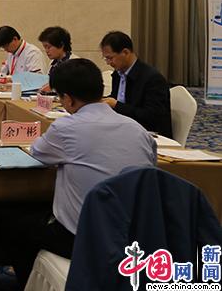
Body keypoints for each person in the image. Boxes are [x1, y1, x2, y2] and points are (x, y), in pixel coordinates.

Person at [11, 58, 156, 288]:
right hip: (138, 238)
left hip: (85, 239)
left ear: (68, 99)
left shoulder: (66, 128)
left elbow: (38, 152)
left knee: (14, 228)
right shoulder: (138, 130)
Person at [100, 31, 173, 138]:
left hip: (148, 134)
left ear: (125, 52)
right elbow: (116, 99)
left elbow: (152, 117)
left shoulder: (152, 78)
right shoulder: (118, 74)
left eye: (110, 58)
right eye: (105, 59)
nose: (108, 63)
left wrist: (116, 105)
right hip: (125, 128)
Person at [37, 26, 78, 91]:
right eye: (45, 47)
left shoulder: (75, 63)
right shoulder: (53, 63)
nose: (46, 51)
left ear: (61, 45)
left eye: (49, 47)